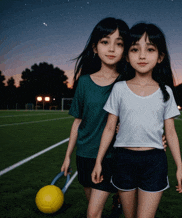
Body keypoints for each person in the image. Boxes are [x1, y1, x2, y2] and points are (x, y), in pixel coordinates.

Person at [91, 22, 182, 218]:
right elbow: (110, 128)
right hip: (123, 160)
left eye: (150, 49)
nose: (142, 56)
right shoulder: (119, 89)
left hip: (154, 162)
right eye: (135, 49)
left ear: (160, 57)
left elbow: (171, 133)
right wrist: (99, 161)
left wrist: (180, 168)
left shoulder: (166, 92)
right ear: (127, 55)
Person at [61, 17, 130, 218]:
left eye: (119, 44)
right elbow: (78, 122)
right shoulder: (83, 83)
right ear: (95, 47)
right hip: (84, 155)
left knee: (92, 213)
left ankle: (116, 195)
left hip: (110, 157)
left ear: (125, 50)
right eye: (105, 42)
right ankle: (117, 198)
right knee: (93, 203)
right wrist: (67, 156)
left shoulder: (126, 83)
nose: (111, 49)